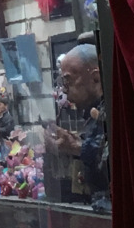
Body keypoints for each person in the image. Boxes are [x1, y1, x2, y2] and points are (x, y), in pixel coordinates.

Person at [43, 45, 109, 211]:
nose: (65, 91)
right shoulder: (93, 113)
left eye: (69, 81)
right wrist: (75, 143)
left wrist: (77, 147)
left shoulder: (110, 108)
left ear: (96, 78)